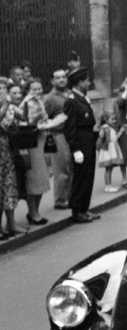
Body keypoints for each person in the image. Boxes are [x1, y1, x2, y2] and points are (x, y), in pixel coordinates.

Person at [63, 67, 100, 223]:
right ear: (79, 83)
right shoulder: (71, 101)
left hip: (88, 141)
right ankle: (77, 210)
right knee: (80, 178)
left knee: (88, 177)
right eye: (86, 81)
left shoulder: (83, 99)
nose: (89, 83)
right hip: (80, 144)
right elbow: (70, 129)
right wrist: (76, 149)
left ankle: (84, 208)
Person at [21, 78, 54, 225]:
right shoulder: (26, 104)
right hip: (31, 143)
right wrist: (36, 120)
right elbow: (23, 122)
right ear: (28, 91)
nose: (37, 92)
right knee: (34, 179)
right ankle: (33, 212)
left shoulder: (40, 102)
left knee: (43, 178)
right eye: (33, 89)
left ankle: (35, 211)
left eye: (39, 89)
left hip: (42, 141)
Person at [43, 69, 73, 209]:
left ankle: (71, 196)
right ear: (52, 81)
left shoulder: (70, 93)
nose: (61, 80)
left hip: (72, 134)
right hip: (58, 134)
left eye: (63, 77)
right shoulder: (49, 98)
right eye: (57, 78)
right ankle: (60, 200)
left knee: (72, 167)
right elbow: (44, 119)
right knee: (61, 168)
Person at [0, 77, 21, 239]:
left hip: (6, 149)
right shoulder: (5, 106)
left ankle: (10, 223)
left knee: (8, 186)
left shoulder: (9, 107)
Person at [96, 110, 127, 192]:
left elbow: (115, 138)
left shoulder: (111, 128)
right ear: (106, 120)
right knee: (108, 169)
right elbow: (100, 139)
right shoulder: (105, 128)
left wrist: (120, 131)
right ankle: (108, 186)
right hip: (108, 151)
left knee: (110, 168)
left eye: (115, 119)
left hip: (112, 150)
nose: (114, 121)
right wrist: (98, 149)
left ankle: (109, 185)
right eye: (112, 119)